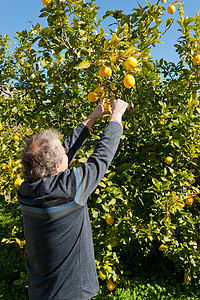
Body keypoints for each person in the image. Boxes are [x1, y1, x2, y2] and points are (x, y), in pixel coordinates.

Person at [18, 98, 128, 300]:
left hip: (41, 291)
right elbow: (101, 157)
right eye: (63, 151)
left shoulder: (26, 191)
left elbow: (55, 156)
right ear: (57, 167)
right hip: (71, 293)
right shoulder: (69, 190)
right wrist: (116, 116)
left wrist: (92, 118)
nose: (66, 149)